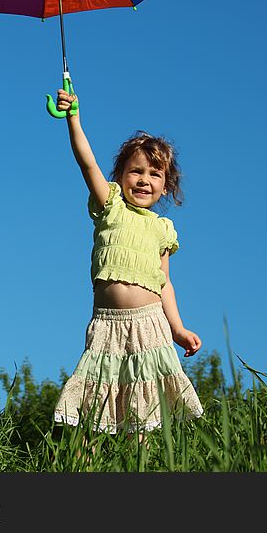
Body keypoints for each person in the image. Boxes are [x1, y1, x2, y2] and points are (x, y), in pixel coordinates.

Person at [52, 88, 203, 439]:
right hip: (106, 325)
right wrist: (73, 118)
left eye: (154, 174)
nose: (144, 180)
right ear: (119, 176)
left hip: (150, 325)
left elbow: (164, 282)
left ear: (166, 187)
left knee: (145, 407)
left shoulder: (162, 228)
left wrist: (178, 328)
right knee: (93, 404)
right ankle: (82, 465)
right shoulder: (111, 204)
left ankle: (141, 463)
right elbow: (86, 161)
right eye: (136, 171)